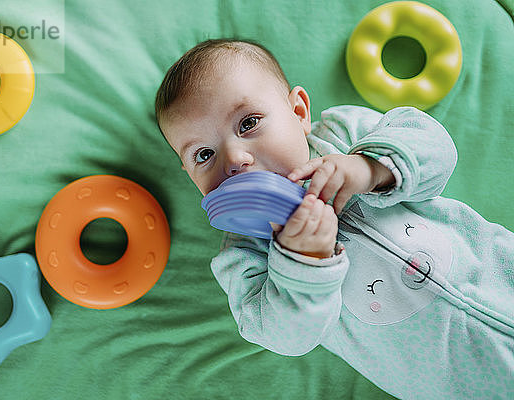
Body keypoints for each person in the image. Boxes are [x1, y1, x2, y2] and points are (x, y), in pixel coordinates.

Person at [155, 39, 514, 399]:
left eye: (248, 123)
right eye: (204, 154)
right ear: (189, 173)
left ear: (298, 113)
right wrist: (302, 262)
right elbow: (286, 338)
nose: (234, 159)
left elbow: (436, 149)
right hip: (467, 384)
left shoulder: (344, 137)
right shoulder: (243, 258)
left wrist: (371, 167)